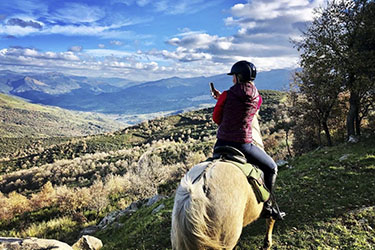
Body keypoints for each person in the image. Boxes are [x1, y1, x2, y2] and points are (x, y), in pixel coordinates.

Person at [211, 60, 285, 220]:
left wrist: (221, 100)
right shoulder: (257, 98)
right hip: (243, 145)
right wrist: (222, 99)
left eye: (233, 77)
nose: (232, 80)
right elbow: (243, 112)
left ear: (238, 77)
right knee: (271, 168)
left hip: (222, 143)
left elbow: (217, 118)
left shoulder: (226, 95)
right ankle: (267, 207)